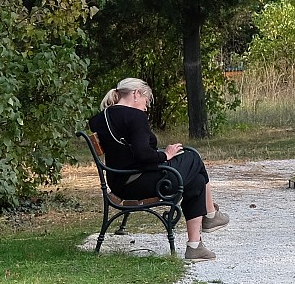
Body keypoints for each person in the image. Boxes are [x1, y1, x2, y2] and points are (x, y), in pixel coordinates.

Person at [88, 78, 229, 260]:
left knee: (196, 179)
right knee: (193, 156)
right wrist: (166, 155)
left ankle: (195, 246)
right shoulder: (135, 117)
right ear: (136, 94)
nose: (146, 107)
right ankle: (210, 215)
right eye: (146, 100)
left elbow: (128, 152)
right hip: (140, 182)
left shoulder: (99, 119)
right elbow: (143, 155)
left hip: (120, 182)